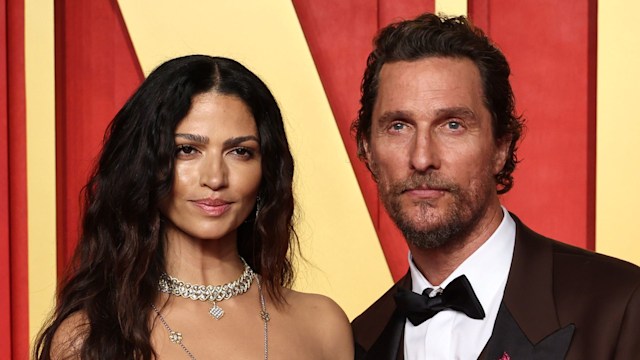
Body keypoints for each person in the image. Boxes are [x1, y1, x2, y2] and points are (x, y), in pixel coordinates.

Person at [351, 13, 640, 360]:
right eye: (399, 126)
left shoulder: (621, 304)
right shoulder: (356, 342)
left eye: (452, 125)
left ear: (501, 147)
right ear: (367, 149)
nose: (422, 157)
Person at [34, 55, 353, 360]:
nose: (215, 178)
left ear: (266, 170)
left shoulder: (323, 325)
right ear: (145, 166)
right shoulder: (89, 337)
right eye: (187, 150)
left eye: (240, 151)